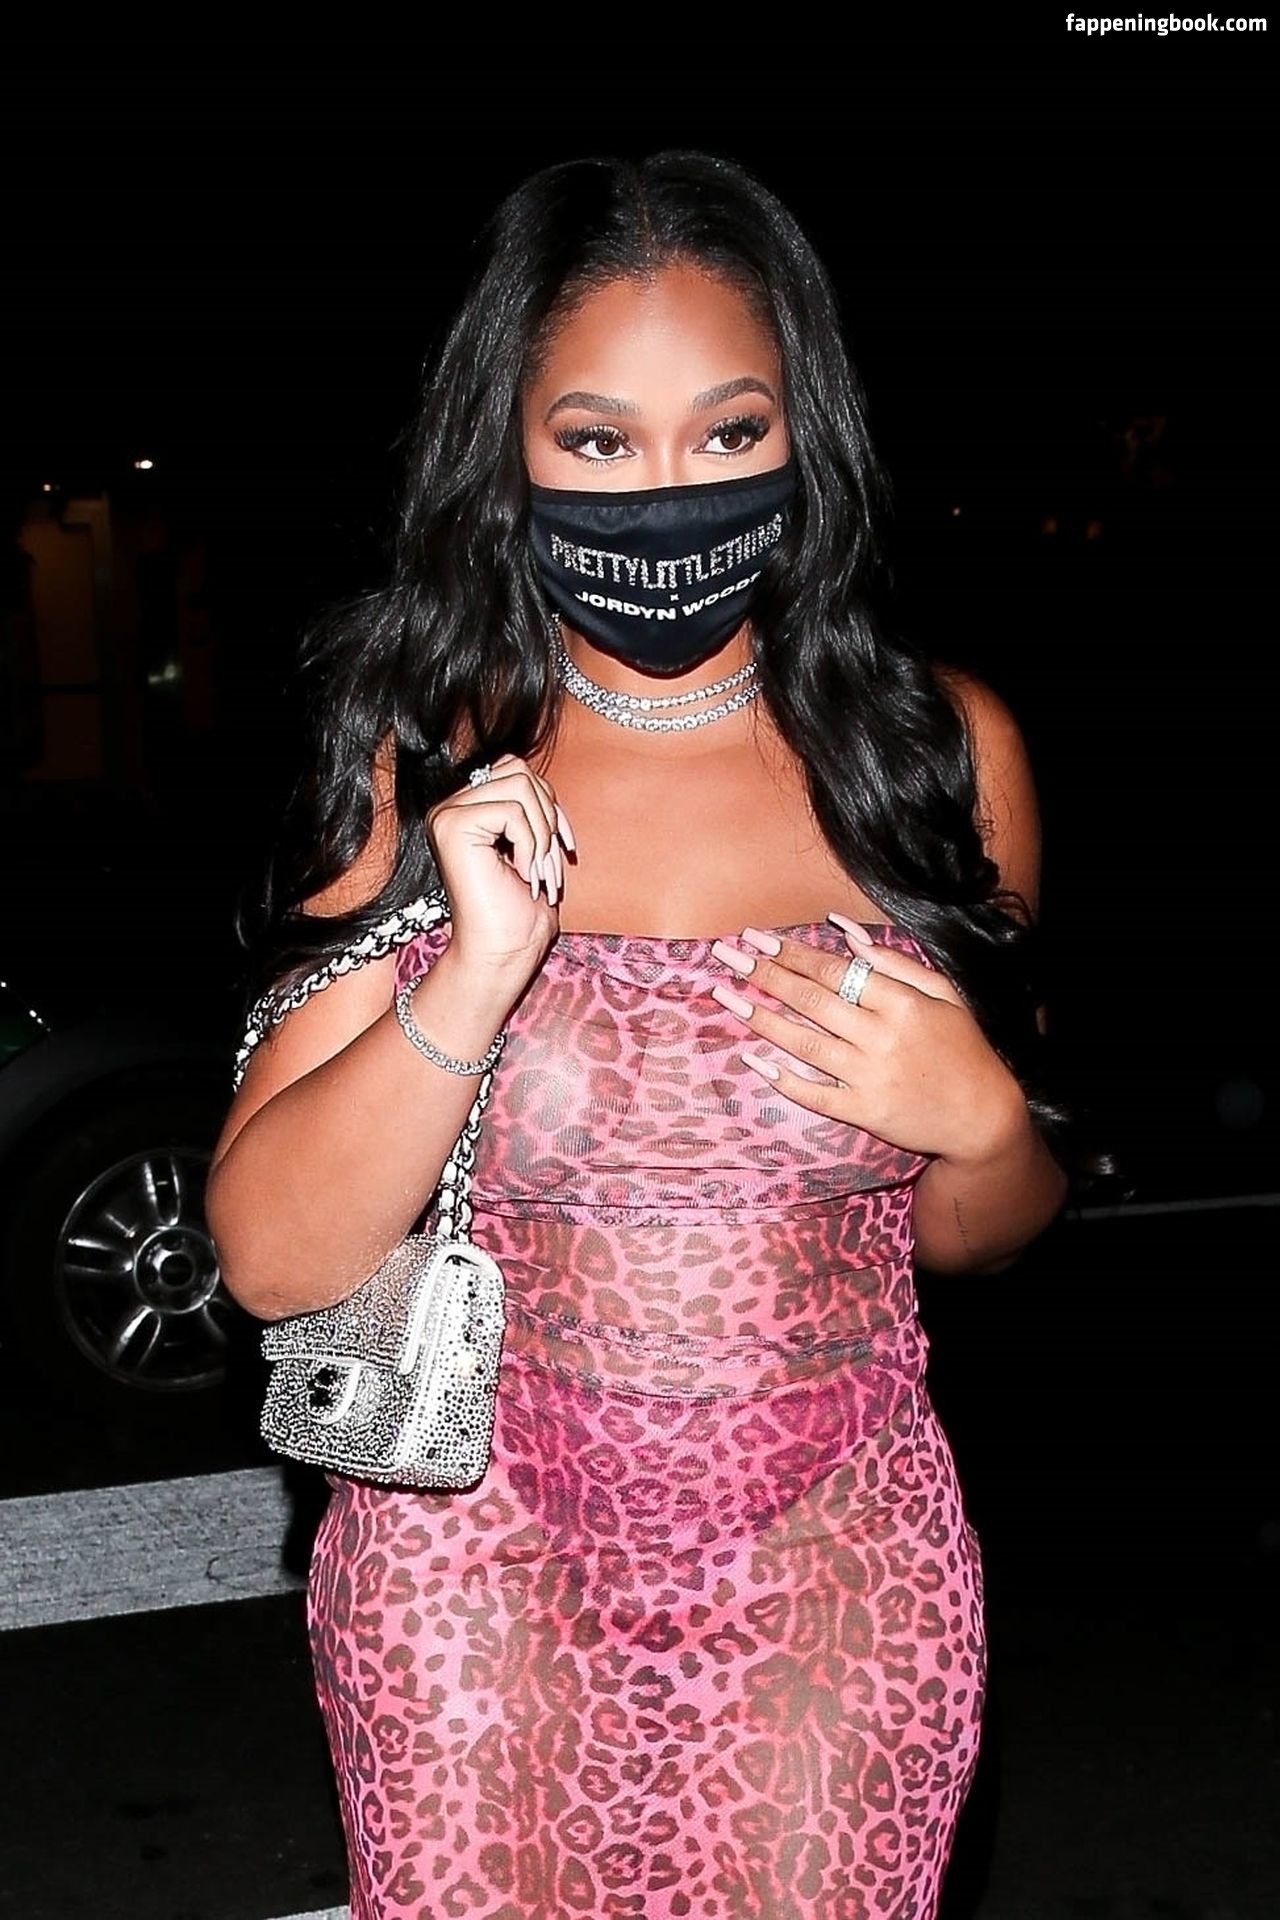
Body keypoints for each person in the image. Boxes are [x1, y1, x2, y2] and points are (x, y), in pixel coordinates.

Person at [207, 148, 1072, 1920]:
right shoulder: (417, 751)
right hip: (471, 1571)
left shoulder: (932, 760)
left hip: (838, 1566)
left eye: (727, 431)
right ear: (506, 449)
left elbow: (980, 1243)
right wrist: (465, 984)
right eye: (597, 441)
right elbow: (276, 1261)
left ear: (805, 435)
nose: (667, 495)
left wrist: (987, 1130)